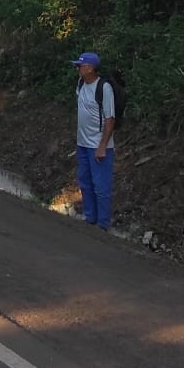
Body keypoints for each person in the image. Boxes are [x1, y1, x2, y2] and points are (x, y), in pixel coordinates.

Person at [73, 51, 115, 232]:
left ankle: (102, 224)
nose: (78, 69)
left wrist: (102, 146)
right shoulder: (81, 84)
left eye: (80, 66)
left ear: (90, 68)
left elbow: (110, 119)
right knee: (85, 181)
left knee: (101, 186)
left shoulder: (104, 88)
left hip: (98, 146)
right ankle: (90, 218)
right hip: (82, 144)